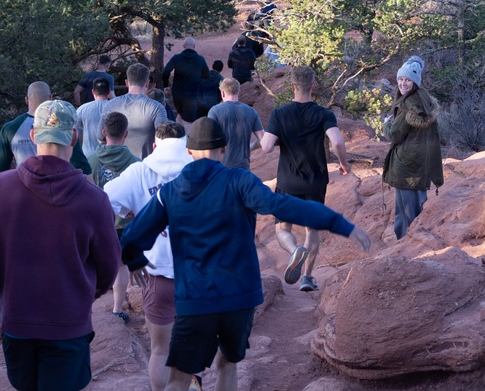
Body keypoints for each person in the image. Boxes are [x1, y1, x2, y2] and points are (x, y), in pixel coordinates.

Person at [121, 118, 371, 391]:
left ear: (189, 151)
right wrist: (339, 224)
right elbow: (283, 206)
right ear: (224, 149)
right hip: (238, 298)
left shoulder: (170, 192)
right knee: (228, 364)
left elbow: (133, 235)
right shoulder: (239, 181)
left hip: (195, 300)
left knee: (180, 379)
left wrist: (134, 260)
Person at [0, 99, 121, 391]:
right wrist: (80, 294)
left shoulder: (0, 188)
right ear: (73, 137)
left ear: (33, 136)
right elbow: (108, 267)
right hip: (69, 326)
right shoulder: (94, 199)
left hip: (17, 325)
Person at [104, 121, 189, 391]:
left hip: (157, 272)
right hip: (198, 276)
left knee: (160, 351)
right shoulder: (198, 170)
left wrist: (130, 218)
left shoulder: (140, 172)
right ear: (186, 145)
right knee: (192, 352)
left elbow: (105, 201)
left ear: (155, 146)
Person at [259, 66, 353, 292]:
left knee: (282, 229)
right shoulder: (324, 114)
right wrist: (343, 163)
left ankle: (293, 251)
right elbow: (337, 142)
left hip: (287, 181)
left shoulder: (279, 114)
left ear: (292, 86)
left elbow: (267, 147)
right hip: (315, 181)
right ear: (313, 85)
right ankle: (307, 278)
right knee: (312, 230)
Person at [382, 55, 444, 240]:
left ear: (415, 82)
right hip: (421, 162)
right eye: (400, 79)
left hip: (406, 166)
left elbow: (395, 135)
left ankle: (405, 247)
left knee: (404, 212)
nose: (402, 83)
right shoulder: (424, 99)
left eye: (407, 80)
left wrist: (386, 124)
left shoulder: (408, 105)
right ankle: (413, 242)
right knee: (417, 205)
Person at [88, 111, 141, 323]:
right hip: (123, 224)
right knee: (121, 266)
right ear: (126, 134)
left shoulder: (89, 161)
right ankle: (117, 308)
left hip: (95, 224)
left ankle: (86, 308)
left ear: (103, 133)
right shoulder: (136, 164)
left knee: (90, 266)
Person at [0, 80, 90, 175]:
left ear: (26, 100)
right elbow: (81, 166)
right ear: (50, 98)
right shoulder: (62, 125)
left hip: (24, 184)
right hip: (57, 186)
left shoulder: (10, 128)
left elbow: (0, 168)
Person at [105, 63, 169, 159]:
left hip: (117, 166)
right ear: (147, 83)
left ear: (127, 83)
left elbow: (100, 138)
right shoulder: (157, 107)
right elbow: (164, 140)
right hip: (145, 167)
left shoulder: (110, 105)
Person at [208, 78, 264, 171]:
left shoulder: (215, 111)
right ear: (238, 92)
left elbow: (209, 140)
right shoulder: (251, 111)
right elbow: (262, 139)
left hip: (221, 168)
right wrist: (250, 147)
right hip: (243, 168)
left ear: (222, 93)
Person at [161, 38, 210, 124]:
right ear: (194, 47)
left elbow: (166, 71)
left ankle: (178, 133)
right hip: (192, 95)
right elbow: (206, 76)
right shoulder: (200, 59)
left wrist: (166, 85)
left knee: (180, 115)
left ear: (184, 46)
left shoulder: (176, 58)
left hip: (177, 94)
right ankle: (186, 136)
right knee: (189, 121)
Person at [77, 78, 112, 157]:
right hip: (110, 157)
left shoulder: (82, 109)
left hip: (88, 157)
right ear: (109, 91)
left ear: (93, 91)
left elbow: (74, 133)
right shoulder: (116, 107)